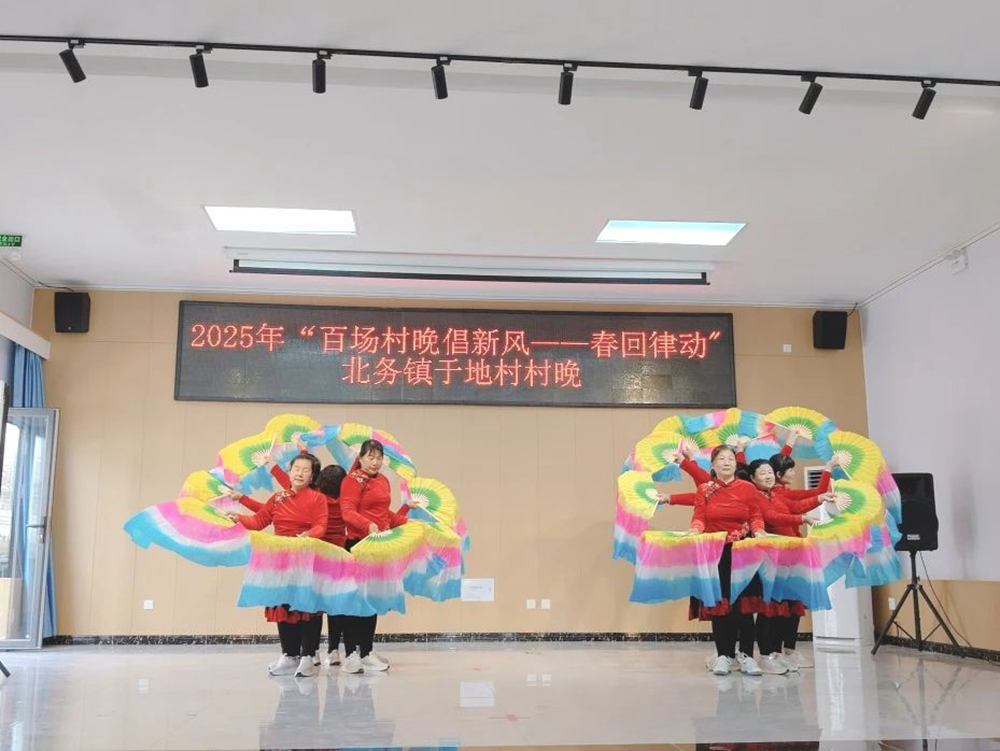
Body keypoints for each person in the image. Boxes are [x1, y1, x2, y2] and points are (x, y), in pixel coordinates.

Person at [227, 453, 328, 678]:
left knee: (308, 609)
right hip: (280, 561)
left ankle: (308, 657)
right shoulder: (277, 497)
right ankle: (289, 656)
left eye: (306, 470)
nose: (300, 473)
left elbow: (321, 525)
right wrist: (239, 518)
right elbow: (259, 521)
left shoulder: (317, 498)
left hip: (306, 559)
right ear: (289, 472)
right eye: (296, 469)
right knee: (283, 607)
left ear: (312, 476)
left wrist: (309, 535)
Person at [687, 445, 768, 677]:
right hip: (715, 553)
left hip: (743, 552)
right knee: (720, 607)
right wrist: (695, 529)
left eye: (731, 458)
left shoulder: (748, 488)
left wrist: (759, 531)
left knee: (744, 606)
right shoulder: (705, 489)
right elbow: (699, 517)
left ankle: (747, 656)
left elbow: (755, 516)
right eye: (721, 459)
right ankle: (723, 655)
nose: (727, 462)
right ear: (712, 464)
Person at [338, 439, 414, 674]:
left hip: (379, 547)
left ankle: (367, 651)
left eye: (379, 457)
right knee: (355, 601)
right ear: (360, 458)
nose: (375, 462)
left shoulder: (383, 481)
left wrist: (407, 521)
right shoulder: (352, 480)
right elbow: (347, 511)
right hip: (358, 546)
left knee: (372, 600)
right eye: (370, 457)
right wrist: (367, 525)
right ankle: (351, 654)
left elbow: (385, 515)